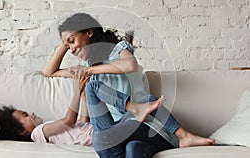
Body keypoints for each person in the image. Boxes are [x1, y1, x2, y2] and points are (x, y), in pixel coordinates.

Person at [43, 12, 215, 151]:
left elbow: (130, 64)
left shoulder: (118, 51)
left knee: (135, 146)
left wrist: (88, 70)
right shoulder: (86, 69)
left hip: (140, 122)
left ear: (89, 32)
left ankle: (145, 114)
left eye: (73, 41)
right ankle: (175, 132)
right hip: (111, 129)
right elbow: (49, 72)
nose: (71, 49)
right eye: (68, 46)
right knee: (94, 91)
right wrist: (65, 42)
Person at [0, 72, 172, 158]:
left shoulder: (48, 129)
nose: (31, 113)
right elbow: (69, 120)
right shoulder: (38, 133)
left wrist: (84, 98)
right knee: (93, 86)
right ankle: (136, 115)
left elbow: (81, 121)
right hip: (101, 135)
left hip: (104, 131)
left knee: (147, 99)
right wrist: (78, 90)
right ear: (21, 132)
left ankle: (176, 134)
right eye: (25, 115)